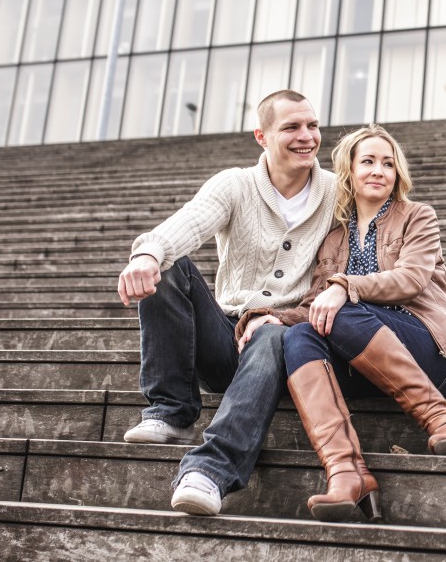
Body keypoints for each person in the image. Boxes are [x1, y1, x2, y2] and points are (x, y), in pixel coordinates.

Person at [235, 124, 446, 522]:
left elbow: (411, 280)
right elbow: (316, 304)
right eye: (367, 161)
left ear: (398, 173)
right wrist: (269, 316)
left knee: (343, 307)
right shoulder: (332, 238)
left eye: (388, 163)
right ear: (348, 170)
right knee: (299, 333)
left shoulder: (418, 217)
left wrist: (344, 284)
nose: (378, 170)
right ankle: (347, 474)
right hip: (368, 365)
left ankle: (442, 419)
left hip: (431, 351)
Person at [116, 89, 337, 517]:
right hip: (227, 337)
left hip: (290, 341)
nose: (307, 136)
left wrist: (277, 317)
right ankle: (172, 412)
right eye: (291, 127)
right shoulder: (235, 184)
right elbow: (188, 222)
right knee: (167, 265)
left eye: (312, 125)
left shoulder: (335, 191)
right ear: (262, 136)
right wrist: (146, 254)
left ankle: (210, 472)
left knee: (273, 332)